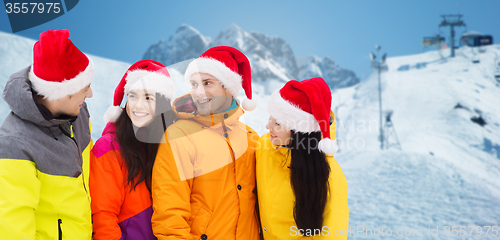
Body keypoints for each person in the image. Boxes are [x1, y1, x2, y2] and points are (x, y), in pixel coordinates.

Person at [151, 46, 260, 240]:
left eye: (207, 83)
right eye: (194, 84)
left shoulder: (251, 138)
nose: (199, 92)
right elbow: (169, 211)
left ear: (228, 87)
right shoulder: (179, 135)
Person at [0, 29, 94, 239]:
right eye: (85, 88)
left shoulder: (78, 113)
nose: (90, 94)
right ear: (62, 93)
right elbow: (14, 230)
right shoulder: (14, 145)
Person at [89, 60, 176, 240]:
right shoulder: (109, 146)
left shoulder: (170, 145)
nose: (137, 106)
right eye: (133, 96)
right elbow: (102, 215)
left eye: (148, 98)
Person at [256, 77, 349, 239]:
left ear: (300, 132)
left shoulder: (329, 174)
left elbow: (332, 234)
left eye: (277, 123)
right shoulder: (265, 146)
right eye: (270, 119)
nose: (268, 127)